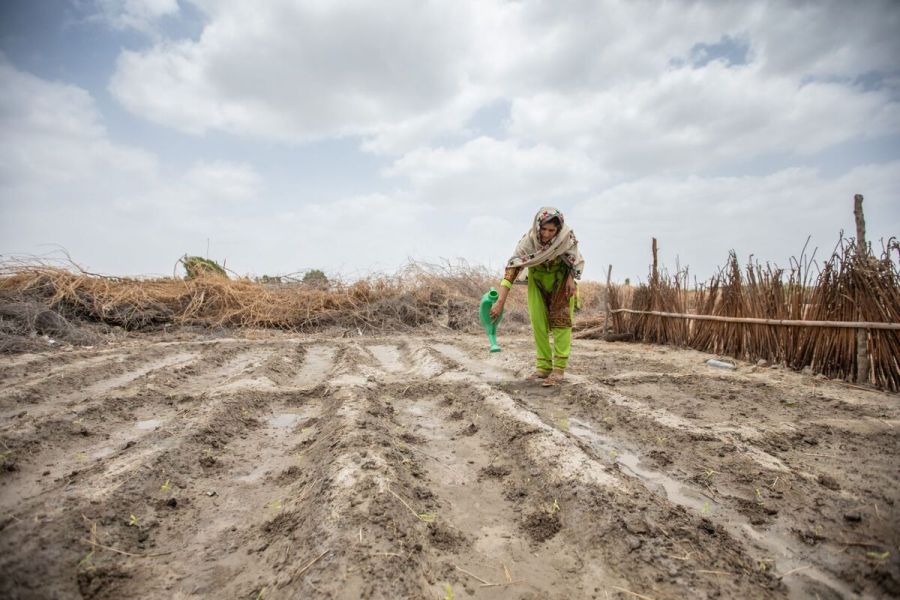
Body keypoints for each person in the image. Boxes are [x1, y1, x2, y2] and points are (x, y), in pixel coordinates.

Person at [490, 206, 584, 386]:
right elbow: (511, 270)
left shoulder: (566, 238)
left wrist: (571, 278)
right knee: (538, 322)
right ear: (537, 225)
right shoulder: (528, 242)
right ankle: (543, 367)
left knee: (561, 323)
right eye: (544, 229)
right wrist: (500, 301)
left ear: (558, 229)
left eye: (552, 230)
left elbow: (574, 259)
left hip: (561, 280)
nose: (547, 234)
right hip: (538, 281)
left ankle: (559, 369)